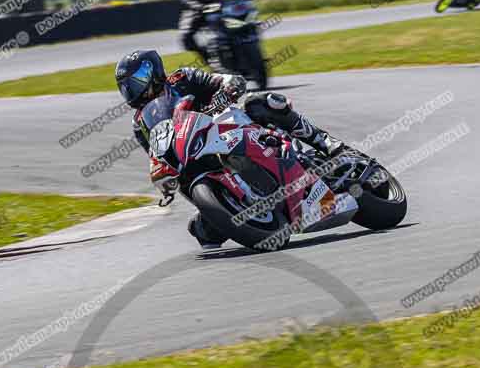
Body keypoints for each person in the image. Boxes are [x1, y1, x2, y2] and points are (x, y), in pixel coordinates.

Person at [115, 50, 344, 249]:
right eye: (125, 87)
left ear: (151, 72)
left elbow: (224, 80)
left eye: (133, 82)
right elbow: (156, 152)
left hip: (223, 125)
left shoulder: (182, 78)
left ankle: (324, 141)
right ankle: (243, 203)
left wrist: (228, 88)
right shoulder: (140, 124)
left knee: (262, 103)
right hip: (190, 159)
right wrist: (161, 172)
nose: (130, 91)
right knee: (203, 233)